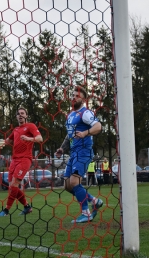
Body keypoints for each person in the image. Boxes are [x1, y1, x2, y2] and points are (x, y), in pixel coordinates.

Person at [55, 86, 103, 223]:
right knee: (67, 185)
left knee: (75, 181)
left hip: (84, 152)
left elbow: (98, 126)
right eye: (73, 95)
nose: (74, 97)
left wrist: (85, 133)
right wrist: (62, 148)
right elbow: (69, 134)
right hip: (74, 153)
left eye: (77, 95)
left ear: (84, 98)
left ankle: (86, 213)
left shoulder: (85, 113)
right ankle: (94, 200)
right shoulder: (71, 115)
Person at [0, 107, 43, 217]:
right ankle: (27, 207)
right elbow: (7, 142)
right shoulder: (16, 130)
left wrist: (28, 138)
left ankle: (6, 210)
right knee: (12, 187)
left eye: (22, 113)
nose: (20, 115)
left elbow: (40, 139)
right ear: (16, 117)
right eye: (18, 113)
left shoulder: (30, 126)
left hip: (25, 159)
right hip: (14, 160)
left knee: (15, 184)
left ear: (26, 115)